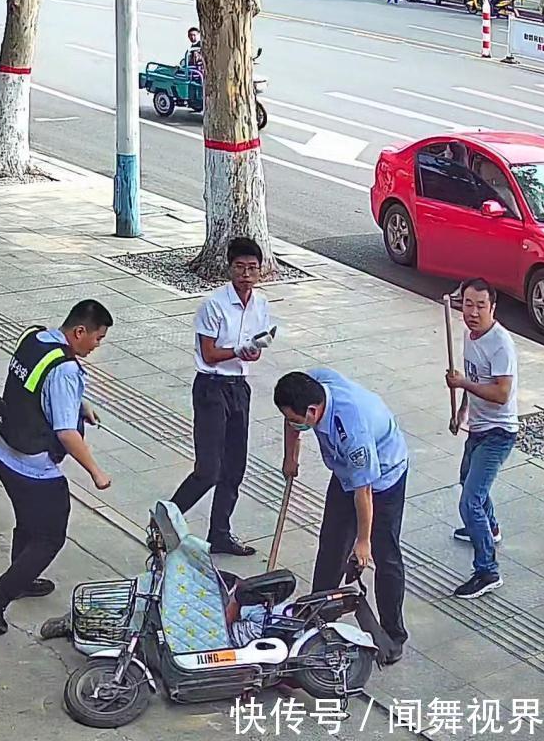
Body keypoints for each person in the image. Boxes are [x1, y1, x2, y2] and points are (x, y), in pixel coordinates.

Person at [0, 300, 114, 634]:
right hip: (34, 467)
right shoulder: (66, 369)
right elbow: (65, 432)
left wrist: (81, 403)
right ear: (80, 331)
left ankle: (20, 578)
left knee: (28, 522)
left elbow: (35, 388)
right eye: (97, 338)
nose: (96, 346)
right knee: (49, 536)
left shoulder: (35, 339)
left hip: (5, 453)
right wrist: (96, 471)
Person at [274, 368, 409, 663]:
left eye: (297, 420)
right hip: (346, 472)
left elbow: (365, 492)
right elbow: (291, 421)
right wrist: (290, 457)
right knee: (332, 545)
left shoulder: (352, 431)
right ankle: (315, 618)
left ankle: (392, 635)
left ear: (312, 412)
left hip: (383, 477)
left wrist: (362, 542)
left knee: (384, 554)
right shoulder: (314, 384)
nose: (293, 424)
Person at [171, 238, 275, 556]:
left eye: (252, 268)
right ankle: (163, 522)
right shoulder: (213, 305)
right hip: (211, 387)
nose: (246, 274)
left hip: (239, 387)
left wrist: (254, 349)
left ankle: (220, 533)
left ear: (260, 271)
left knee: (234, 467)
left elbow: (253, 352)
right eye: (240, 267)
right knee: (208, 469)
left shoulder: (261, 305)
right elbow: (210, 353)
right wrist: (238, 350)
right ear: (229, 268)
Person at [446, 278, 518, 600]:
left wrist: (463, 385)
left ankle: (487, 570)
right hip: (476, 428)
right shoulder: (468, 335)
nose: (472, 312)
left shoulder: (501, 343)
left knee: (470, 500)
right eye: (468, 304)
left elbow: (501, 394)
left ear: (492, 307)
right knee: (467, 481)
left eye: (480, 305)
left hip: (499, 433)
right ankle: (491, 528)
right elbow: (471, 375)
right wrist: (462, 410)